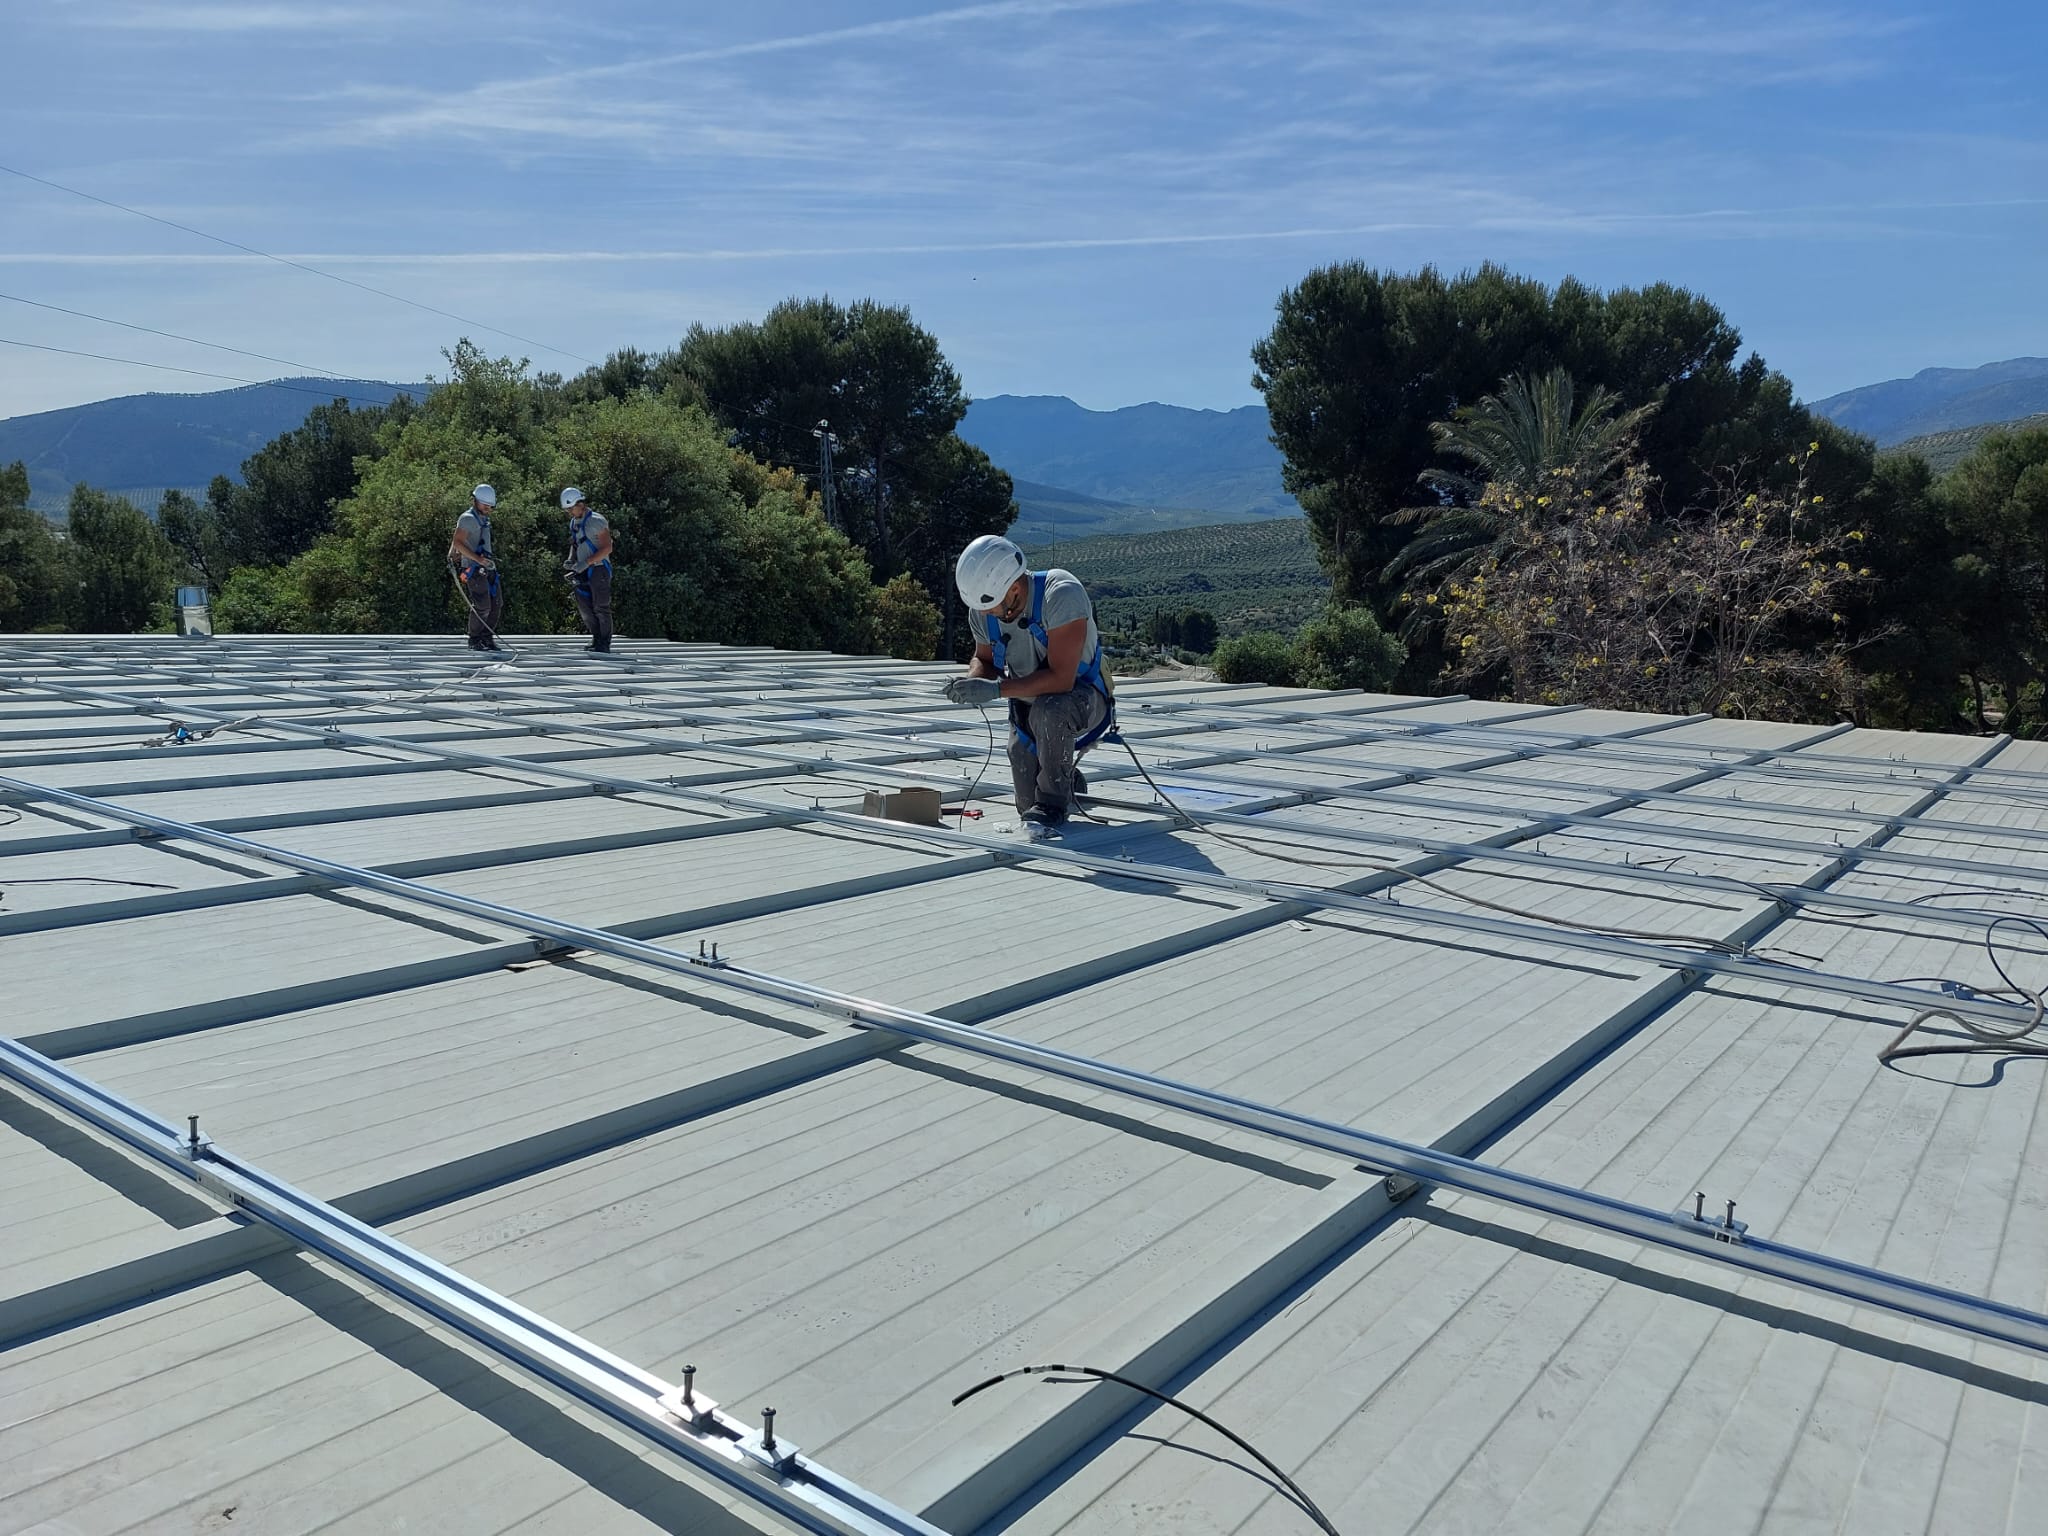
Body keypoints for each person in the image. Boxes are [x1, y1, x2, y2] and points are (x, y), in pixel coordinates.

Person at [943, 533, 1115, 830]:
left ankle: (1054, 800)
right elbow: (984, 660)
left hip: (1083, 699)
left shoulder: (1061, 595)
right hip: (1028, 700)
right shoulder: (984, 609)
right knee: (1026, 804)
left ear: (1013, 588)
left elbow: (1062, 680)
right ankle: (1066, 778)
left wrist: (996, 689)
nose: (985, 613)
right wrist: (972, 682)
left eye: (991, 606)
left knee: (1050, 716)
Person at [449, 484, 502, 651]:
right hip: (474, 568)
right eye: (485, 505)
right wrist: (477, 559)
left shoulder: (483, 518)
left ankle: (486, 638)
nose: (488, 508)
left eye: (490, 506)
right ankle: (474, 639)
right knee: (482, 605)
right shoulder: (468, 518)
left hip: (486, 566)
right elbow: (457, 541)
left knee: (496, 604)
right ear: (475, 501)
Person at [561, 487, 614, 653]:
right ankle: (596, 638)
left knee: (600, 606)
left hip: (598, 569)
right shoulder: (574, 522)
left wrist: (587, 562)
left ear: (581, 504)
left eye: (571, 508)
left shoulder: (597, 521)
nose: (570, 512)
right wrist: (571, 559)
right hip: (583, 569)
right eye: (567, 509)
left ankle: (604, 643)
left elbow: (607, 548)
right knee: (585, 607)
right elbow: (575, 544)